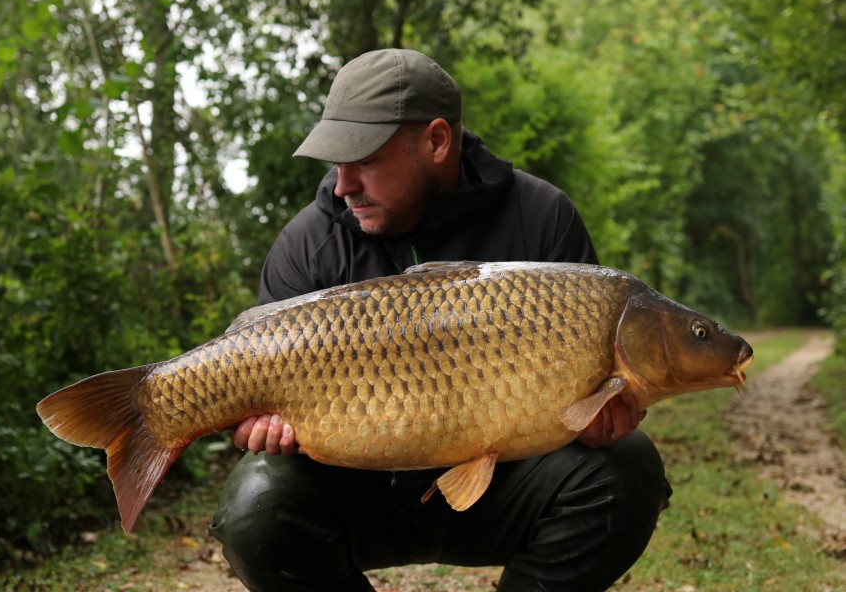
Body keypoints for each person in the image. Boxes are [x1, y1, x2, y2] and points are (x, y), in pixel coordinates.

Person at [209, 48, 672, 592]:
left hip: (508, 485)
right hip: (359, 489)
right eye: (337, 162)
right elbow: (261, 401)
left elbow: (592, 395)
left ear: (435, 141)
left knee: (628, 468)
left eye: (364, 159)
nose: (343, 185)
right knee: (254, 505)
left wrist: (600, 420)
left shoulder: (542, 218)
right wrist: (260, 428)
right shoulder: (309, 244)